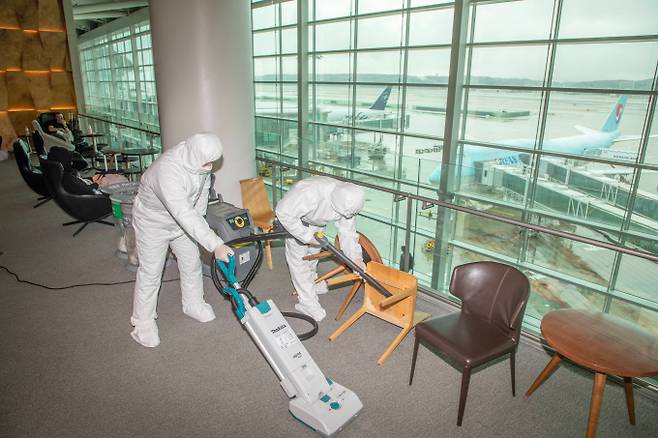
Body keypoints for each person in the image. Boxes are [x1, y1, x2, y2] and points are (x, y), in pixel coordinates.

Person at [130, 132, 234, 348]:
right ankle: (143, 323)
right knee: (151, 272)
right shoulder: (166, 171)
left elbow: (202, 194)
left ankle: (193, 303)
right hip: (153, 224)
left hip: (183, 224)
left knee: (192, 263)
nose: (209, 167)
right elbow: (182, 211)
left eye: (211, 163)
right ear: (195, 155)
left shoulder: (200, 162)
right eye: (206, 162)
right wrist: (215, 244)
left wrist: (202, 223)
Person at [275, 176, 365, 322]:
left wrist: (356, 259)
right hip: (297, 223)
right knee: (299, 263)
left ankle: (312, 283)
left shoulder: (350, 199)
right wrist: (307, 236)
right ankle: (307, 302)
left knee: (313, 257)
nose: (344, 216)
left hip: (317, 223)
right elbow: (283, 212)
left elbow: (347, 233)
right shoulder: (309, 192)